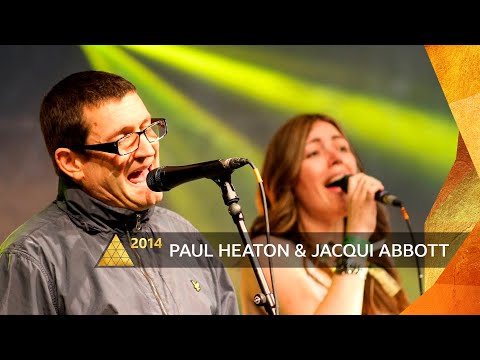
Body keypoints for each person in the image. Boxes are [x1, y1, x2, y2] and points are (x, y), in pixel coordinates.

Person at [0, 70, 239, 315]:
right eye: (124, 139)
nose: (147, 149)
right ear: (71, 162)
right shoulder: (32, 258)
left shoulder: (184, 235)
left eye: (148, 128)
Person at [240, 113, 410, 315]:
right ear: (287, 182)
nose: (336, 159)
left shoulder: (373, 271)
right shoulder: (267, 252)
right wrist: (357, 239)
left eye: (342, 148)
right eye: (314, 153)